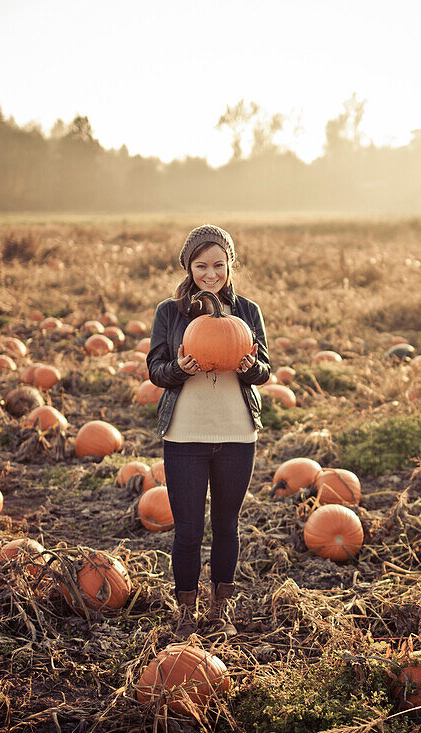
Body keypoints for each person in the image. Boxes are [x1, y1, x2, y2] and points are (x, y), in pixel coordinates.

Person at [146, 224, 270, 637]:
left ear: (231, 265)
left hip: (237, 434)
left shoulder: (248, 311)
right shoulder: (170, 312)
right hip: (185, 436)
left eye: (219, 264)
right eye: (202, 265)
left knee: (227, 526)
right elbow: (155, 370)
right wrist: (178, 370)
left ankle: (221, 608)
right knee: (188, 530)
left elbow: (265, 370)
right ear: (189, 267)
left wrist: (251, 368)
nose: (211, 274)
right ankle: (185, 611)